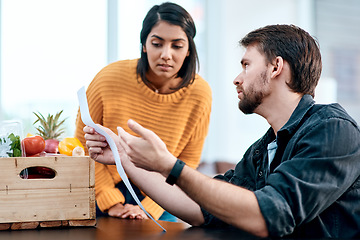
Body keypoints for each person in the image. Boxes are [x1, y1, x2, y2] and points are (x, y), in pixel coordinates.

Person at [83, 24, 360, 238]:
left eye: (246, 65)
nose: (237, 78)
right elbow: (201, 209)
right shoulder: (262, 150)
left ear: (276, 67)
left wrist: (170, 165)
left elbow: (270, 215)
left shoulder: (332, 129)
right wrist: (126, 158)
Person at [74, 2, 212, 222]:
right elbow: (82, 142)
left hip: (162, 194)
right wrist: (110, 201)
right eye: (157, 43)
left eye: (177, 46)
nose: (166, 54)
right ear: (145, 44)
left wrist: (151, 208)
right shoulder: (109, 78)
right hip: (103, 186)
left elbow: (187, 160)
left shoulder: (200, 93)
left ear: (188, 50)